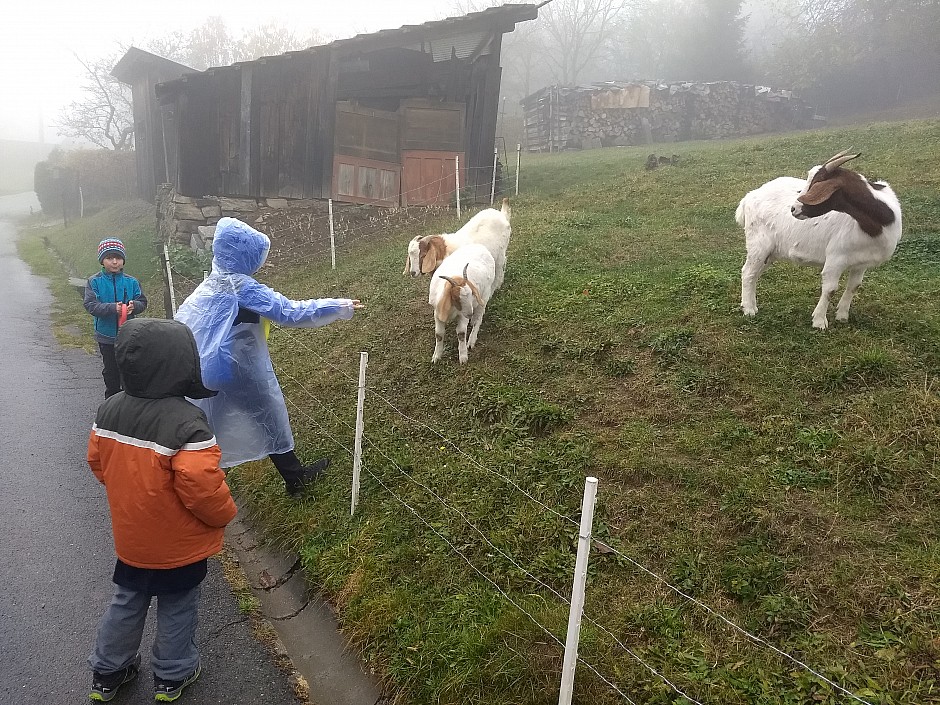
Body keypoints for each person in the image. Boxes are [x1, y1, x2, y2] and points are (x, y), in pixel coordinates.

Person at [87, 318, 236, 702]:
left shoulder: (109, 410)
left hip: (132, 536)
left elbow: (98, 462)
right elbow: (200, 488)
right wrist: (224, 514)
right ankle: (172, 674)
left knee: (128, 598)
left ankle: (108, 671)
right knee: (177, 604)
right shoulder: (188, 424)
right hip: (177, 544)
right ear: (181, 364)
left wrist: (128, 492)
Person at [175, 217, 364, 497]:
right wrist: (340, 306)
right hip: (237, 368)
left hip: (208, 369)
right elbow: (290, 312)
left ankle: (200, 486)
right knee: (271, 417)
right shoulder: (241, 286)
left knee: (214, 430)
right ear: (245, 255)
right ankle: (294, 480)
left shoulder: (210, 282)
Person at [83, 238, 148, 398]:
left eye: (118, 258)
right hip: (106, 336)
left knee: (129, 369)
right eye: (109, 258)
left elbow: (143, 301)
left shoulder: (131, 282)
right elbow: (91, 305)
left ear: (123, 260)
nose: (114, 262)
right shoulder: (94, 282)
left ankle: (129, 400)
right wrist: (113, 308)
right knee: (111, 370)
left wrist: (134, 306)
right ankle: (111, 401)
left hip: (129, 336)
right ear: (102, 261)